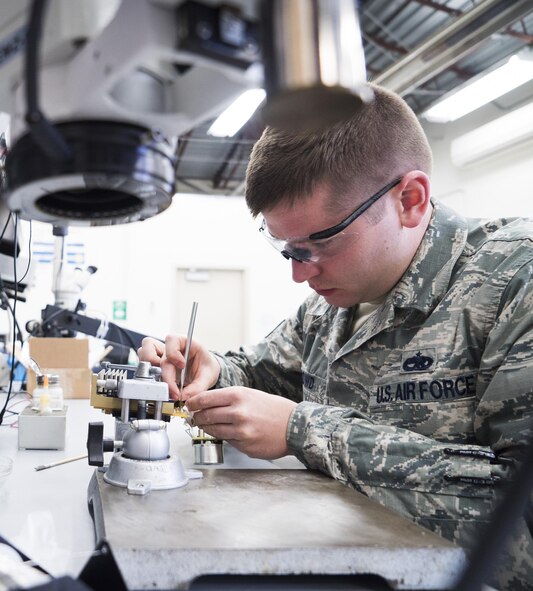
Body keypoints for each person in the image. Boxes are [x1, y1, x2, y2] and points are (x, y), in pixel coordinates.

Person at [139, 83, 532, 590]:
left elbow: (519, 523)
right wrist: (207, 369)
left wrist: (306, 431)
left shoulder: (512, 282)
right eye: (289, 250)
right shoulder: (331, 307)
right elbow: (266, 371)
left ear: (409, 200)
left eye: (320, 243)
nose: (302, 275)